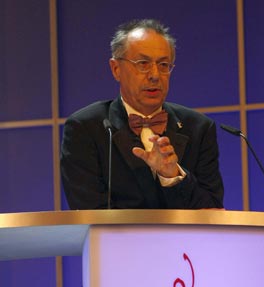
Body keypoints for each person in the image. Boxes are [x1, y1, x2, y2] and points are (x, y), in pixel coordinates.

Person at [60, 18, 224, 210]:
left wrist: (172, 175)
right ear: (116, 69)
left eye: (163, 65)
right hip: (117, 240)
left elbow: (212, 211)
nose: (155, 74)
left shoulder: (198, 128)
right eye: (143, 63)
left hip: (182, 241)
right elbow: (89, 212)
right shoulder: (86, 128)